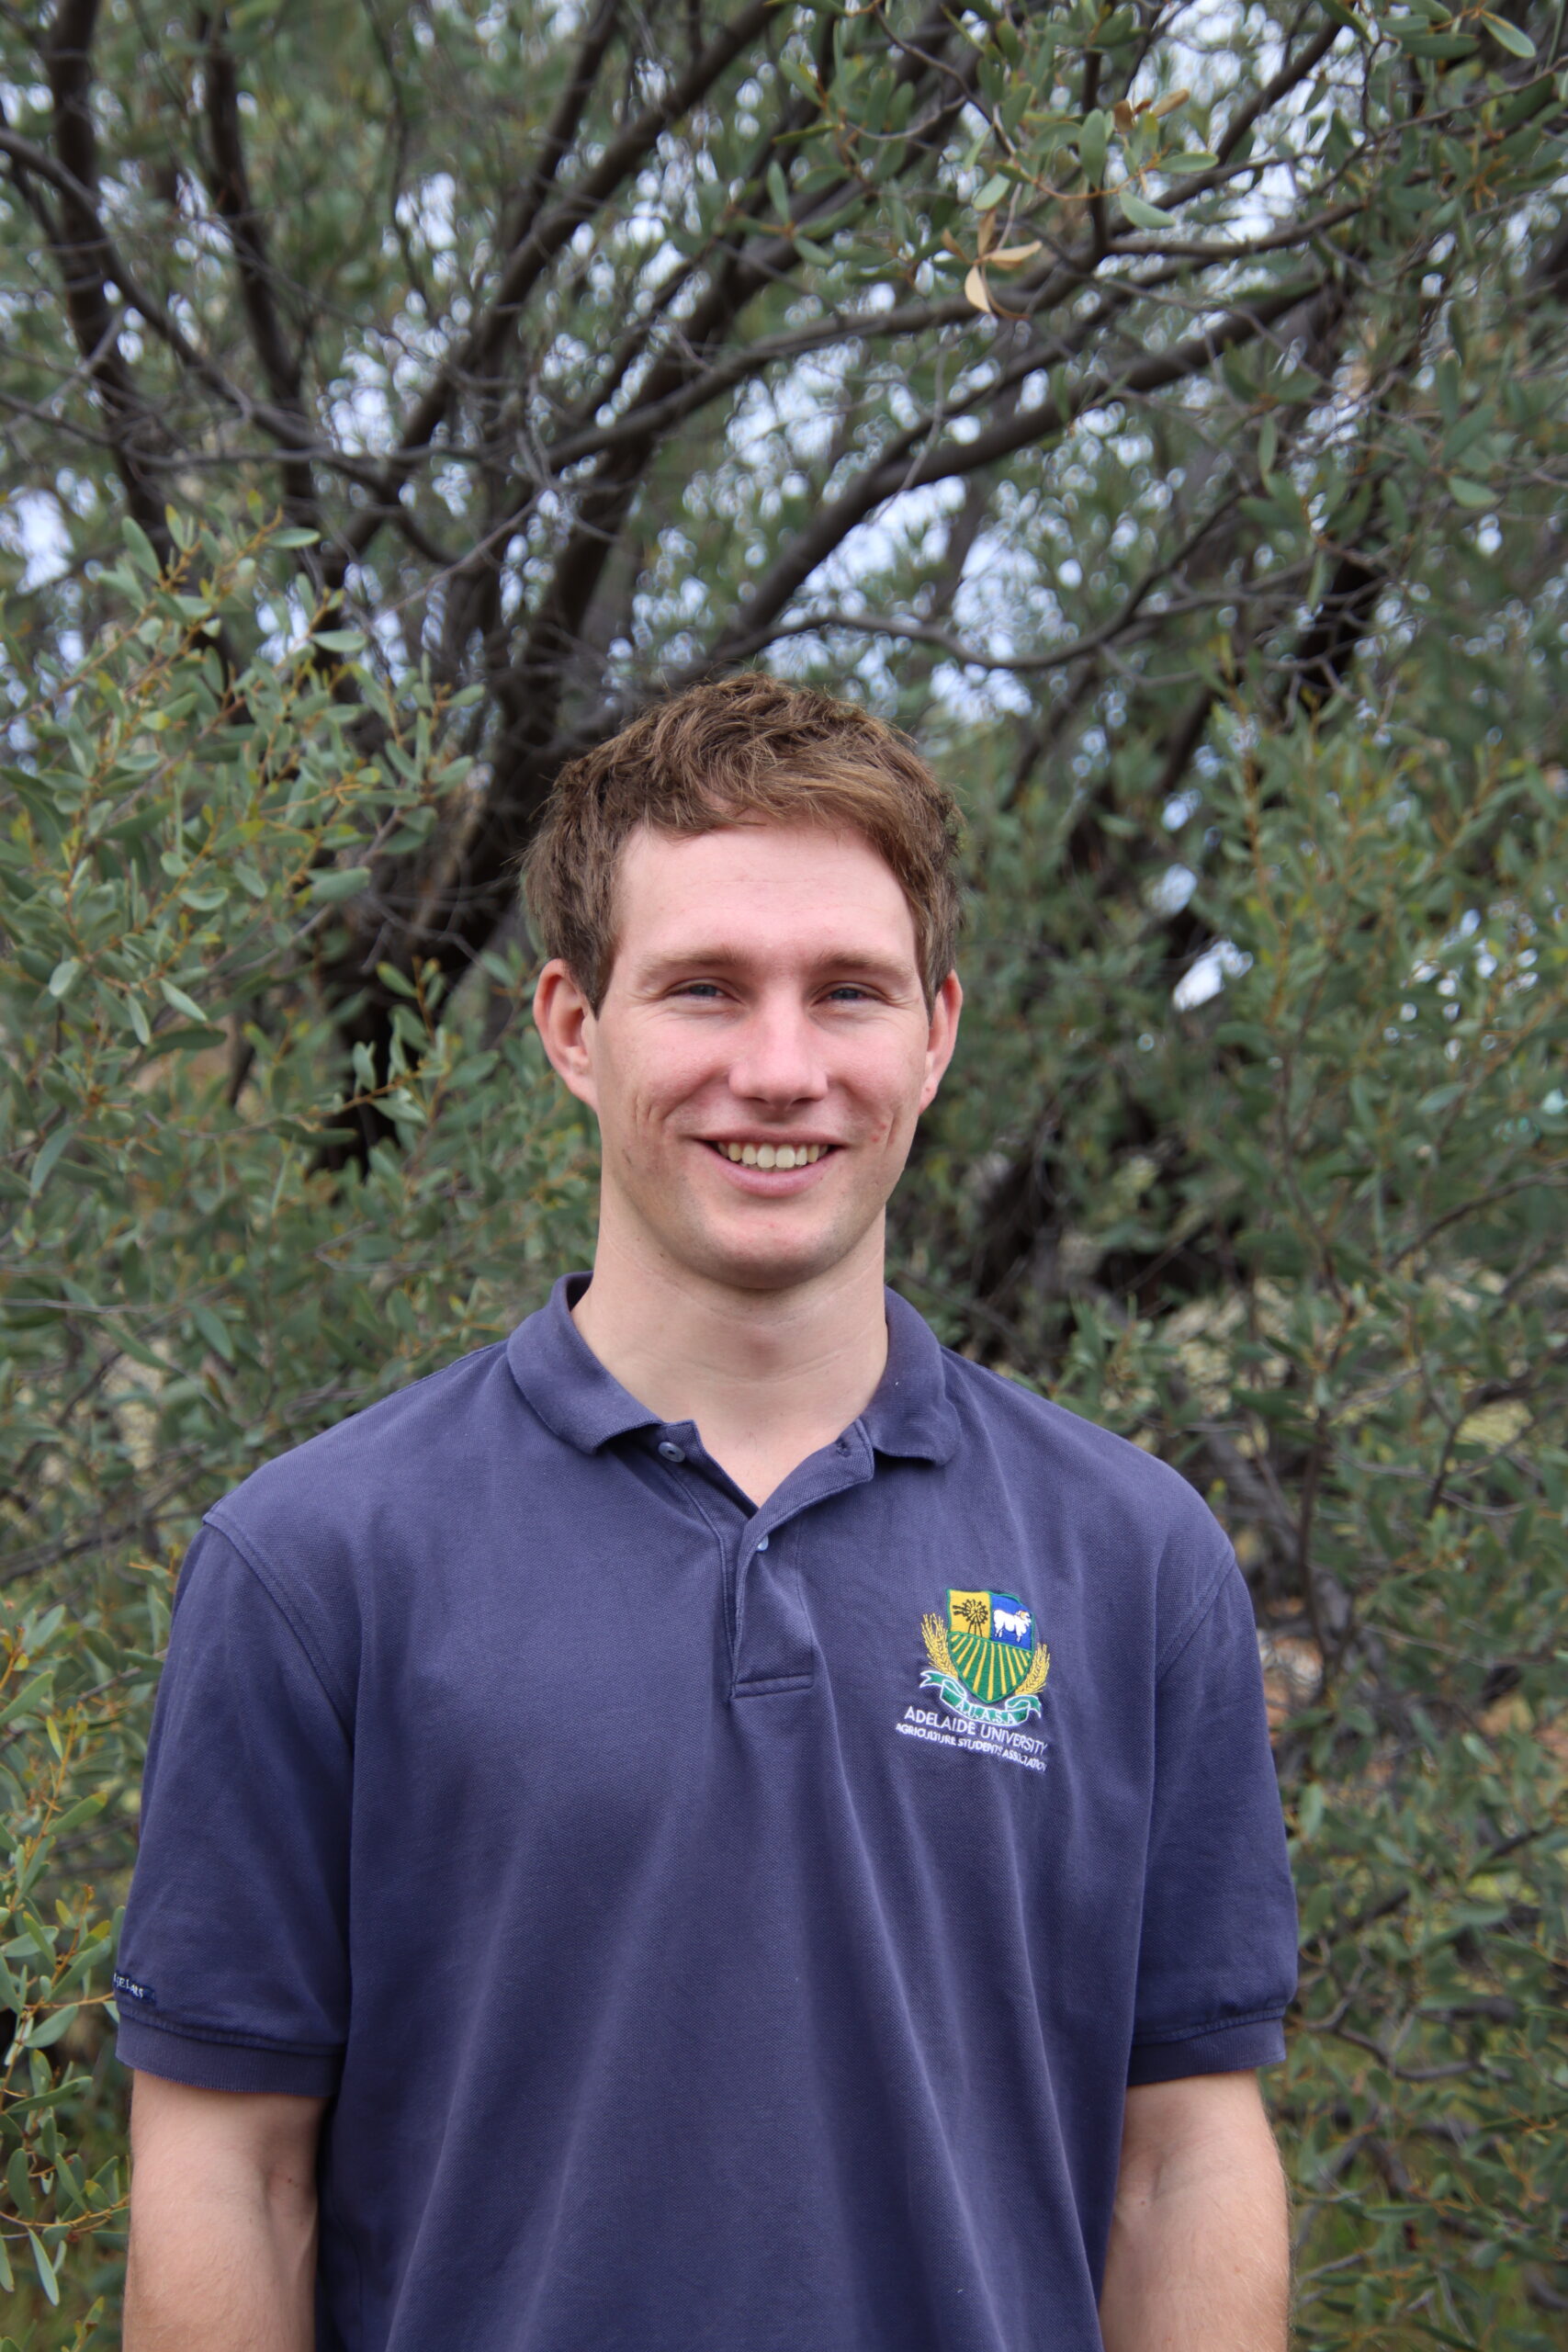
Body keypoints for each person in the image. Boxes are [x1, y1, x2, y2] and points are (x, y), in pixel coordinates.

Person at [118, 675, 1298, 2352]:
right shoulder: (316, 1566)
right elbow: (234, 2181)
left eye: (848, 993)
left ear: (938, 1031)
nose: (780, 1067)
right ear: (572, 1028)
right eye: (703, 990)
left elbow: (1180, 2163)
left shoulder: (1135, 1560)